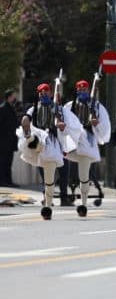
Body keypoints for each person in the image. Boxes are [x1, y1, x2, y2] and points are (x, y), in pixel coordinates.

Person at [17, 82, 81, 220]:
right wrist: (26, 121)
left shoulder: (57, 108)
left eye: (46, 92)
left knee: (56, 175)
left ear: (51, 93)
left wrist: (62, 126)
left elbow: (66, 123)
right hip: (39, 144)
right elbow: (26, 118)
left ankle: (55, 201)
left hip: (54, 145)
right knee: (45, 176)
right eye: (41, 93)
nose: (43, 95)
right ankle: (47, 198)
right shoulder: (33, 109)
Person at [65, 79, 111, 216]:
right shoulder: (69, 106)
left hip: (87, 144)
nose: (81, 92)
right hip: (71, 145)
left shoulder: (97, 106)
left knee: (84, 175)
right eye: (79, 90)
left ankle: (83, 203)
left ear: (88, 90)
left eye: (84, 90)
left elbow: (105, 126)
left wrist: (96, 124)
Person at [0, 89, 19, 187]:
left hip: (10, 139)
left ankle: (8, 181)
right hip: (4, 140)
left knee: (8, 162)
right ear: (9, 97)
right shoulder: (3, 108)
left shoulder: (11, 107)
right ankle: (3, 181)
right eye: (13, 96)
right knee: (3, 161)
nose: (14, 97)